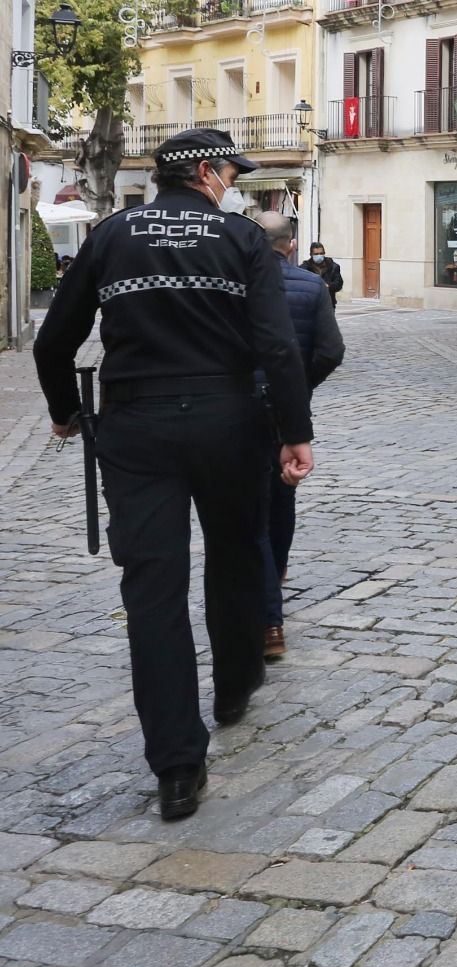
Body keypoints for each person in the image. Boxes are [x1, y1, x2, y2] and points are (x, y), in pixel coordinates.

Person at [32, 127, 314, 822]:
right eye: (232, 172)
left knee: (152, 592)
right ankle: (234, 686)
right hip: (228, 419)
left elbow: (54, 340)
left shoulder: (109, 234)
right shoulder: (242, 238)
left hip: (136, 427)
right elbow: (275, 344)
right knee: (237, 553)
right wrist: (295, 432)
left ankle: (177, 768)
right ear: (210, 173)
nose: (235, 182)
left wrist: (68, 412)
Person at [256, 213, 344, 661]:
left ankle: (267, 616)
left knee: (248, 512)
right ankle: (277, 580)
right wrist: (299, 386)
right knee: (281, 498)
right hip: (285, 412)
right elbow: (331, 351)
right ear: (292, 246)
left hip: (236, 409)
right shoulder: (311, 288)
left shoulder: (233, 284)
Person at [301, 242, 343, 307]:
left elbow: (338, 284)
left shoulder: (333, 267)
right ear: (311, 254)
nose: (319, 256)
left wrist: (328, 286)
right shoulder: (304, 268)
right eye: (316, 254)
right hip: (310, 304)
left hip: (328, 303)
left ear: (324, 253)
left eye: (321, 253)